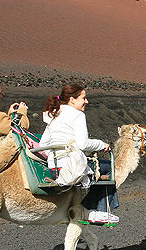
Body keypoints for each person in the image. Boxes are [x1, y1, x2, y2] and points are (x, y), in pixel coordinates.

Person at [39, 83, 119, 224]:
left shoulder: (54, 115)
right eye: (83, 98)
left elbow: (43, 145)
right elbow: (83, 144)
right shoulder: (77, 115)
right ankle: (97, 210)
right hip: (71, 167)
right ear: (72, 100)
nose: (86, 101)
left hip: (55, 168)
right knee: (109, 167)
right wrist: (102, 145)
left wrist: (56, 155)